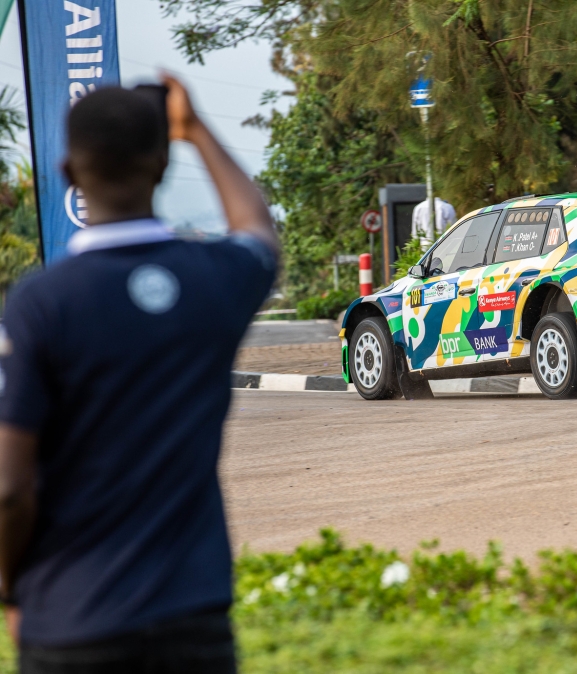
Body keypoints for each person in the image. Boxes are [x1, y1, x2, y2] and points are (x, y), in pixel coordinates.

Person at [0, 77, 278, 671]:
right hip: (193, 618)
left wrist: (10, 587)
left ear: (69, 172)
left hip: (71, 622)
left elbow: (9, 489)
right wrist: (196, 129)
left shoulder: (40, 304)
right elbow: (257, 230)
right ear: (160, 166)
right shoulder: (214, 278)